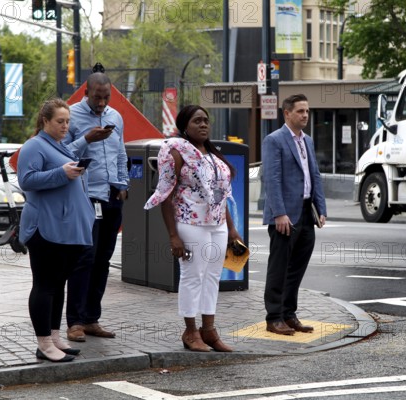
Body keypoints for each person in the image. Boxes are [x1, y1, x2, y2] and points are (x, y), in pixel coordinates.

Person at [144, 105, 242, 352]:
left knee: (212, 277)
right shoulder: (174, 151)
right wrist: (173, 236)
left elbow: (220, 195)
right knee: (192, 276)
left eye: (206, 121)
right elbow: (165, 194)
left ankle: (208, 330)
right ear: (184, 126)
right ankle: (190, 331)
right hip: (189, 222)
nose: (203, 125)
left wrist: (231, 229)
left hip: (217, 224)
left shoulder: (212, 154)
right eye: (197, 121)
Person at [17, 98, 95, 362]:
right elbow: (26, 180)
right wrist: (62, 173)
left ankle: (54, 336)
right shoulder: (34, 146)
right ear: (46, 121)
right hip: (45, 229)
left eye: (68, 121)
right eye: (60, 121)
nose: (65, 126)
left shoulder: (60, 146)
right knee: (44, 286)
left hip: (66, 230)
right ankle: (43, 343)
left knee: (58, 285)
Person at [63, 72, 129, 342]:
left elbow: (121, 152)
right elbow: (62, 153)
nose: (101, 103)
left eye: (106, 98)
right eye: (97, 97)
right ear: (85, 93)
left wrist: (124, 184)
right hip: (86, 196)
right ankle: (75, 322)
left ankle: (92, 318)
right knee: (84, 258)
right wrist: (86, 140)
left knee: (103, 260)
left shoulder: (116, 117)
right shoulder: (71, 116)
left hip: (112, 195)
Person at [262, 94, 327, 336]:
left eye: (307, 111)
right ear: (287, 113)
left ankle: (289, 314)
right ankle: (274, 317)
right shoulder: (274, 140)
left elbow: (315, 175)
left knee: (297, 268)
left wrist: (321, 208)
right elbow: (272, 178)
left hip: (305, 212)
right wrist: (279, 213)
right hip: (285, 216)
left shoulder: (307, 141)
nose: (305, 115)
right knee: (279, 268)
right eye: (300, 111)